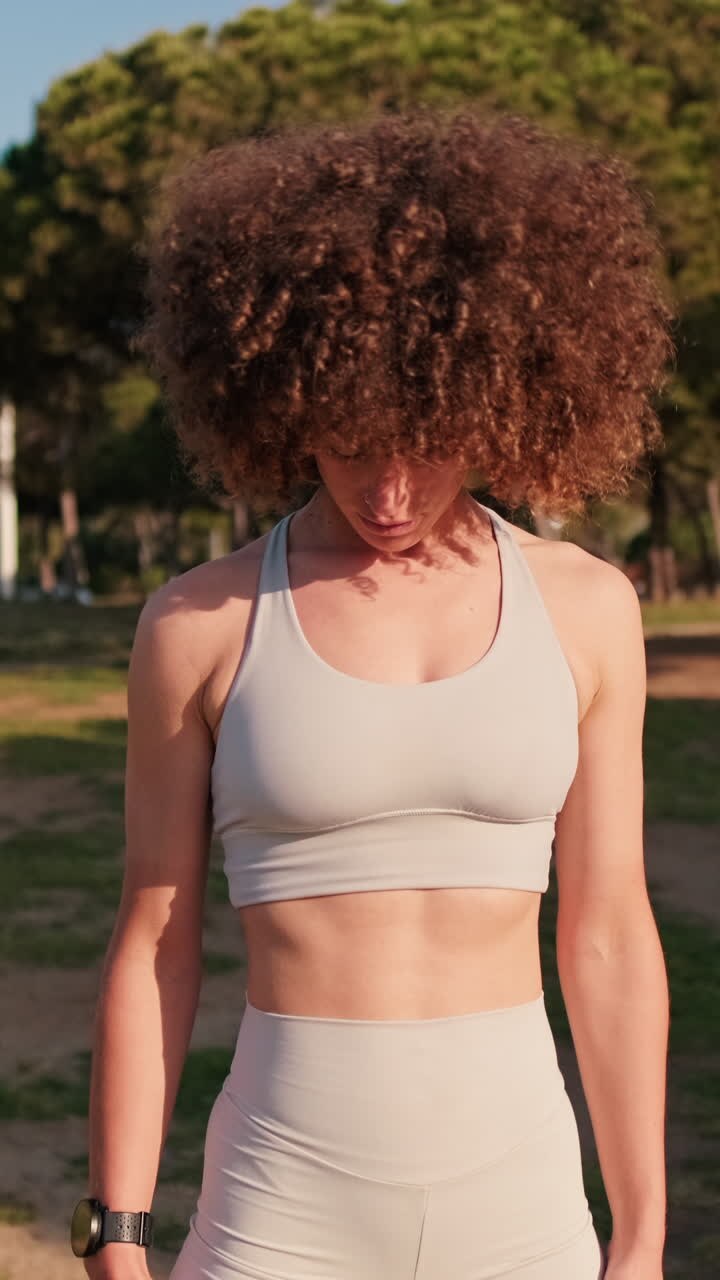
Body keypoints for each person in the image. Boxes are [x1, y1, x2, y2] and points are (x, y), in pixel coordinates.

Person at [76, 106, 673, 1279]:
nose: (389, 488)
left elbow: (605, 932)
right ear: (287, 398)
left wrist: (643, 1232)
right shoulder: (202, 623)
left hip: (525, 1209)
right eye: (350, 440)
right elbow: (156, 939)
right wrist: (118, 1227)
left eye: (429, 438)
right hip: (274, 1212)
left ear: (495, 398)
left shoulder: (590, 606)